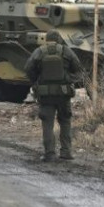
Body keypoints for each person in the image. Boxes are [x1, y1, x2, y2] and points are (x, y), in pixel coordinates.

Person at [24, 29, 82, 162]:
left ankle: (49, 153)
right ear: (59, 39)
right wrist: (68, 79)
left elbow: (28, 68)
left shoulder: (39, 51)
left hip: (46, 95)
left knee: (47, 123)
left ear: (46, 39)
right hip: (63, 94)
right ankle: (66, 152)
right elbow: (78, 69)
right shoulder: (66, 51)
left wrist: (37, 82)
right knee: (65, 121)